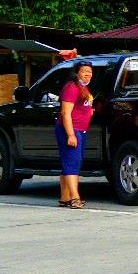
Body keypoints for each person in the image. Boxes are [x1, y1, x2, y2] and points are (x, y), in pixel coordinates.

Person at [56, 61, 95, 209]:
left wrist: (89, 111)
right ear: (77, 72)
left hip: (80, 130)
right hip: (71, 130)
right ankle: (75, 198)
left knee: (71, 162)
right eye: (84, 71)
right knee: (72, 162)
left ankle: (64, 197)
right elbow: (65, 113)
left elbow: (81, 107)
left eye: (89, 71)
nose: (87, 74)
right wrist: (70, 135)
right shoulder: (71, 88)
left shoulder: (83, 87)